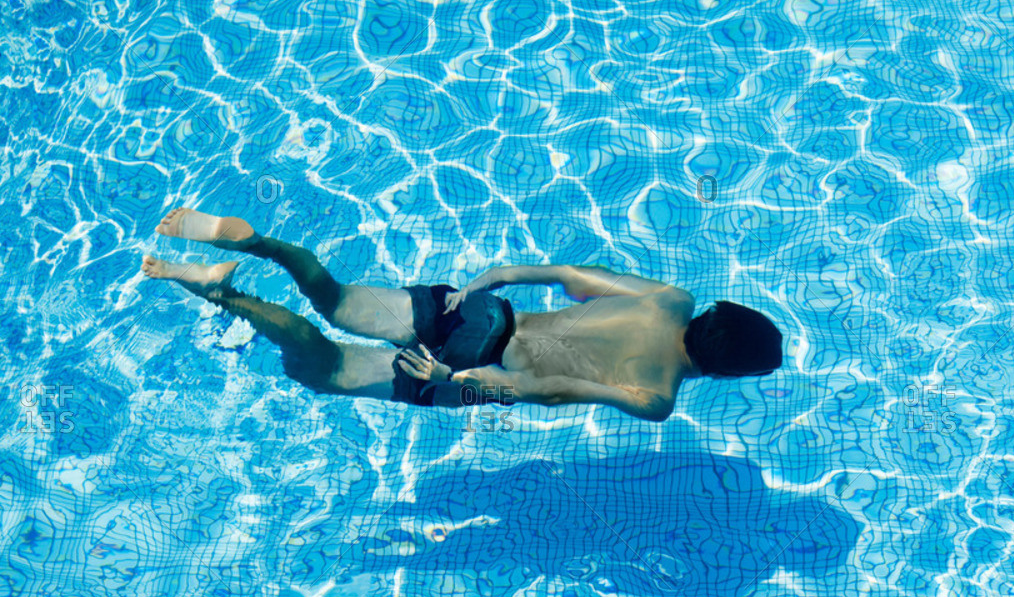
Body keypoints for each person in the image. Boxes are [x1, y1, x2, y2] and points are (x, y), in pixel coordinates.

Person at [141, 207, 783, 422]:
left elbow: (564, 277)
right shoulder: (656, 395)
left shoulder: (670, 300)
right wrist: (452, 382)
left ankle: (254, 246)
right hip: (478, 369)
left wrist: (493, 277)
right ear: (726, 373)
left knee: (333, 298)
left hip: (488, 314)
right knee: (325, 367)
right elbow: (550, 389)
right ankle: (224, 295)